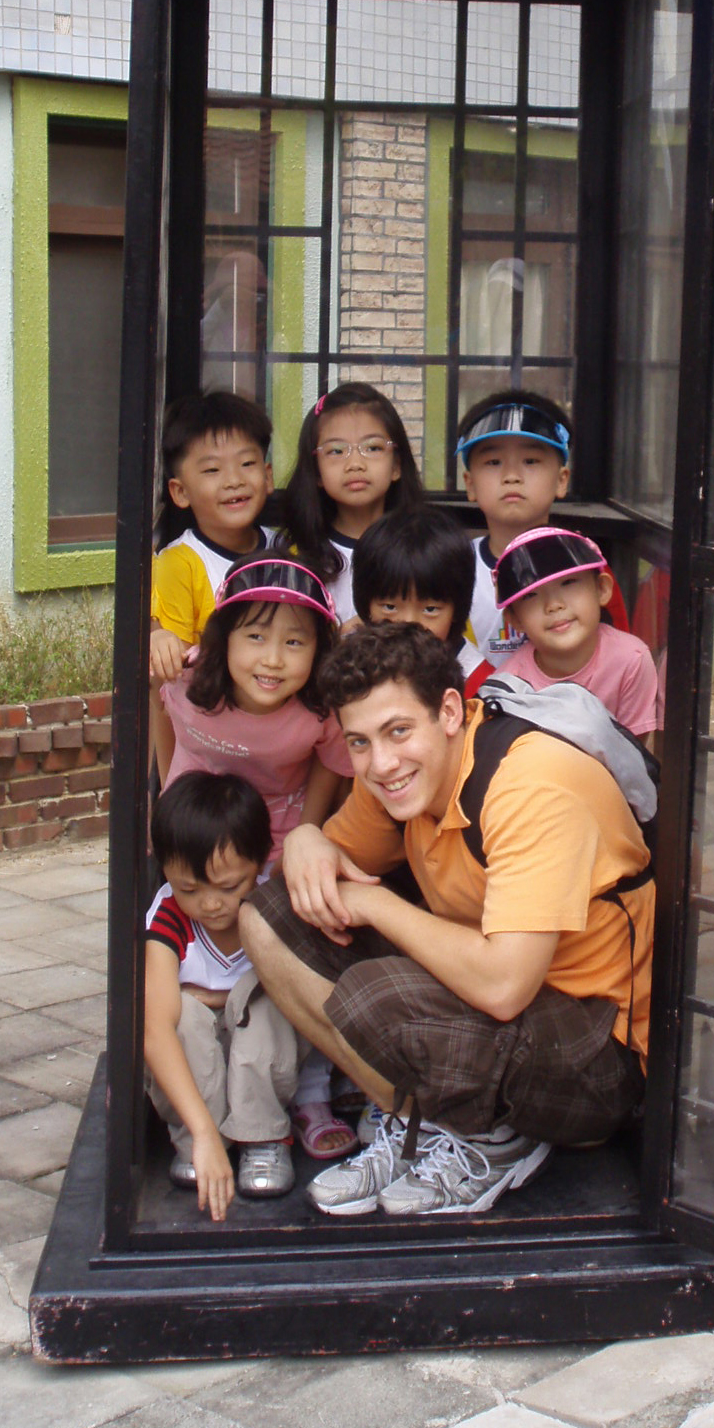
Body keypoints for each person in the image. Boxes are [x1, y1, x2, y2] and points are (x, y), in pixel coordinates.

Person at [238, 623, 653, 1219]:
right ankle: (423, 1130)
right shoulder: (395, 777)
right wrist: (305, 835)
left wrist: (377, 904)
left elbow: (504, 987)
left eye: (398, 731)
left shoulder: (531, 784)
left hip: (595, 1056)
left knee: (374, 996)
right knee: (271, 919)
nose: (381, 763)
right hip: (500, 1006)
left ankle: (491, 1140)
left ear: (452, 711)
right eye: (359, 743)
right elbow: (330, 868)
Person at [151, 553, 357, 1161]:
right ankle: (203, 1100)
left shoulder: (320, 710)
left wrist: (307, 837)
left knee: (290, 954)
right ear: (222, 637)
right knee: (193, 957)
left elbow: (328, 767)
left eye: (295, 641)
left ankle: (306, 1093)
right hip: (199, 835)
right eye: (256, 636)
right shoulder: (191, 682)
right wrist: (168, 801)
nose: (272, 658)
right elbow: (164, 716)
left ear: (318, 650)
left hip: (274, 840)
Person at [144, 770, 306, 1217]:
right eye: (189, 889)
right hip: (200, 1063)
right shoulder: (168, 921)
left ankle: (264, 1136)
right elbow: (154, 1029)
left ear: (260, 863)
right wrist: (201, 1134)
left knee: (265, 1003)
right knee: (185, 1019)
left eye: (229, 887)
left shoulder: (276, 901)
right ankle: (205, 1137)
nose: (210, 904)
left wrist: (221, 998)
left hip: (262, 1053)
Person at [150, 391, 275, 685]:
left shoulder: (287, 551)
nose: (234, 480)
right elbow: (178, 678)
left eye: (246, 464)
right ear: (180, 492)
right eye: (212, 470)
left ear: (268, 476)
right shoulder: (179, 563)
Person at [492, 527, 659, 742]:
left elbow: (634, 756)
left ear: (602, 589)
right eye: (531, 595)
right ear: (514, 620)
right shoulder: (507, 688)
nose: (554, 605)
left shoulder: (631, 660)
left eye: (568, 582)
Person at [281, 383, 424, 623]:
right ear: (316, 472)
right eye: (336, 451)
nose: (355, 463)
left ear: (397, 465)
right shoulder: (296, 559)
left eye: (373, 447)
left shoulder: (425, 550)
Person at [455, 390, 573, 668]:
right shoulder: (450, 568)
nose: (512, 476)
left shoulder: (586, 568)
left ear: (561, 480)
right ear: (469, 484)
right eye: (493, 462)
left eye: (530, 461)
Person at [351, 506, 493, 696]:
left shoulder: (481, 686)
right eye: (390, 607)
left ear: (457, 611)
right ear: (366, 605)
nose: (409, 623)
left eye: (430, 609)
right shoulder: (351, 672)